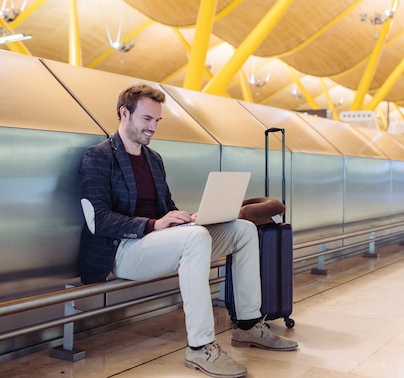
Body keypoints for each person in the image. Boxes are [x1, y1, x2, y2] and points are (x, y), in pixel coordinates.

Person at [78, 83, 297, 378]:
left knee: (243, 230)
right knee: (195, 239)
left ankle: (247, 326)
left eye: (157, 120)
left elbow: (166, 208)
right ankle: (200, 347)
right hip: (120, 251)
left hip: (156, 243)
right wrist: (155, 224)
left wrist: (186, 218)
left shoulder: (153, 160)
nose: (153, 127)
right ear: (124, 114)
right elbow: (100, 221)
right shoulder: (99, 157)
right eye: (147, 119)